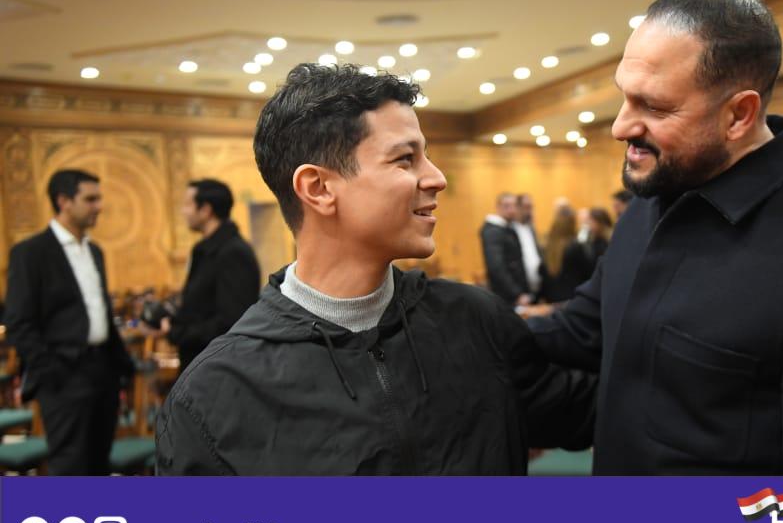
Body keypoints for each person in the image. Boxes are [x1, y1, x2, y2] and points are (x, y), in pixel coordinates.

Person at [528, 0, 783, 476]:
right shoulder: (653, 198)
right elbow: (582, 332)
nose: (621, 127)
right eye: (624, 98)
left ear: (739, 114)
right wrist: (448, 322)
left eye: (655, 107)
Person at [155, 64, 594, 476]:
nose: (437, 178)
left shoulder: (475, 322)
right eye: (405, 159)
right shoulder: (214, 393)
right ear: (318, 188)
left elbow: (595, 410)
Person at [4, 169, 135, 475]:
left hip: (103, 371)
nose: (99, 206)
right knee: (71, 467)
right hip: (63, 376)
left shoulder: (95, 251)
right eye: (90, 199)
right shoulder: (31, 253)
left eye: (98, 199)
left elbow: (98, 313)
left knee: (99, 464)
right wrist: (51, 373)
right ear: (63, 201)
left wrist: (121, 367)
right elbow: (19, 322)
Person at [161, 178, 261, 371]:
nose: (183, 211)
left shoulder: (234, 252)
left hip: (218, 367)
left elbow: (232, 321)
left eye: (187, 205)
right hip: (200, 362)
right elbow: (199, 307)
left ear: (206, 210)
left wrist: (177, 333)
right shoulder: (203, 249)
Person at [479, 193, 533, 306]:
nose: (511, 210)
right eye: (506, 206)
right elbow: (496, 267)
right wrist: (516, 294)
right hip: (507, 297)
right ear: (498, 207)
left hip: (518, 294)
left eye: (514, 206)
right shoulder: (493, 231)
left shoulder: (508, 228)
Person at [513, 193, 544, 301]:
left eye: (531, 207)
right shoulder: (510, 230)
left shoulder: (531, 227)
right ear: (517, 208)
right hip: (520, 289)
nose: (529, 211)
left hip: (537, 285)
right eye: (526, 207)